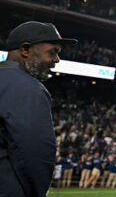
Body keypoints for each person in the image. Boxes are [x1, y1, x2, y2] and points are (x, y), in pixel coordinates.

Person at [0, 21, 77, 197]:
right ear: (26, 50)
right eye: (52, 52)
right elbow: (35, 154)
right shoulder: (28, 87)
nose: (57, 60)